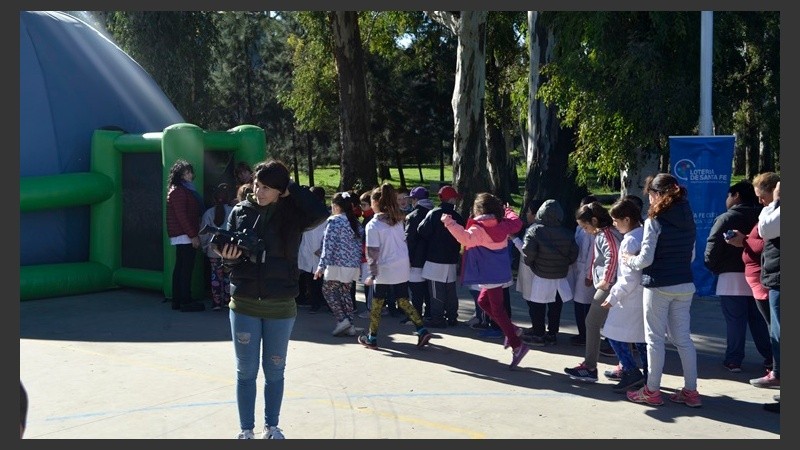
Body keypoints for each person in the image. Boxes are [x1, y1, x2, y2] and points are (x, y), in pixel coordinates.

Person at [217, 160, 330, 439]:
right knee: (245, 371)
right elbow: (223, 246)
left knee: (275, 369)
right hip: (243, 302)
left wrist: (290, 188)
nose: (259, 191)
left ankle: (272, 426)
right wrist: (227, 259)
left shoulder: (293, 213)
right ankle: (246, 430)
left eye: (267, 187)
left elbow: (320, 212)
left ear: (281, 190)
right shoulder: (241, 211)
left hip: (281, 304)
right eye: (257, 184)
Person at [622, 173, 701, 408]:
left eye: (650, 196)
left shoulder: (654, 221)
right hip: (685, 284)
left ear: (656, 194)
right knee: (683, 340)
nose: (650, 200)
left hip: (659, 284)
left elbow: (645, 259)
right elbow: (692, 255)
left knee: (654, 340)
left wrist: (628, 259)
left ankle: (652, 391)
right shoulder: (688, 217)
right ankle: (691, 391)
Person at [441, 192, 527, 369]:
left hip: (488, 274)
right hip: (499, 272)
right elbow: (517, 223)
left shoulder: (479, 228)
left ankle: (517, 344)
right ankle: (512, 329)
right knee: (483, 301)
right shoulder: (503, 224)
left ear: (478, 209)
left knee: (497, 311)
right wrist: (509, 210)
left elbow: (464, 239)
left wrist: (449, 223)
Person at [704, 180, 772, 373]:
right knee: (759, 321)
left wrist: (715, 267)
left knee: (735, 321)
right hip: (759, 275)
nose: (727, 199)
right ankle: (770, 358)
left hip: (730, 279)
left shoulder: (726, 219)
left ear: (736, 196)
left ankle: (734, 360)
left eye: (728, 195)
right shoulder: (764, 216)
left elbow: (712, 248)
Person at [358, 183, 433, 350]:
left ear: (376, 203)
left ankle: (372, 337)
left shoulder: (373, 225)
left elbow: (372, 251)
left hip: (385, 267)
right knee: (403, 299)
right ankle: (421, 329)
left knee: (377, 304)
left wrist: (372, 273)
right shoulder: (398, 220)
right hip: (401, 265)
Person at [564, 201, 622, 382]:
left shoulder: (607, 235)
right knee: (618, 326)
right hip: (611, 284)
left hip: (610, 286)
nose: (584, 230)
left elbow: (613, 256)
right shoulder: (603, 234)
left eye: (585, 226)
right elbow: (597, 259)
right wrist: (592, 275)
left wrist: (606, 281)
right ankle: (625, 366)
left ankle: (590, 367)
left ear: (595, 220)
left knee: (591, 322)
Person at [601, 198, 648, 393]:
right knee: (642, 339)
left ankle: (630, 371)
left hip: (628, 298)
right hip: (643, 295)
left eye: (615, 220)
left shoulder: (629, 240)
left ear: (627, 219)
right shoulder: (645, 232)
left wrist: (612, 297)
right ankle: (648, 375)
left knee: (613, 335)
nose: (614, 224)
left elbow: (628, 277)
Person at [518, 199, 578, 347]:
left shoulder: (535, 230)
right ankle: (552, 333)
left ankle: (539, 334)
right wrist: (563, 263)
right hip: (560, 275)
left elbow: (528, 252)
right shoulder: (567, 233)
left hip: (541, 274)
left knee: (538, 305)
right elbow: (573, 254)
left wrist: (532, 264)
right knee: (555, 306)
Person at [315, 191, 364, 337]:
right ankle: (350, 324)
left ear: (336, 206)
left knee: (328, 291)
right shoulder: (355, 222)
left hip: (337, 264)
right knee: (345, 293)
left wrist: (321, 266)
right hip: (352, 265)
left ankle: (342, 319)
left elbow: (328, 246)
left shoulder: (334, 221)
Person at [417, 185, 466, 328]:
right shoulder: (457, 216)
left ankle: (437, 318)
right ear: (452, 199)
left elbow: (422, 231)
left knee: (436, 291)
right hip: (451, 259)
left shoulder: (433, 214)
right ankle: (452, 317)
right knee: (450, 290)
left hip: (434, 259)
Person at [750, 180, 780, 392]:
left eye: (763, 196)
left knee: (778, 331)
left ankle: (778, 374)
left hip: (779, 276)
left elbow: (765, 229)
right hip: (774, 276)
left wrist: (776, 202)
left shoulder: (778, 207)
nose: (760, 201)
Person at [165, 159, 205, 312]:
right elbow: (182, 216)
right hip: (184, 234)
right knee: (185, 268)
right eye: (186, 173)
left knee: (181, 267)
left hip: (182, 234)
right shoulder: (180, 191)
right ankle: (185, 301)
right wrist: (193, 235)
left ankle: (178, 300)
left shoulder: (179, 189)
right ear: (179, 175)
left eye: (189, 172)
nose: (189, 175)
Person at [567, 195, 598, 347]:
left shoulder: (591, 232)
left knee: (583, 304)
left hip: (586, 271)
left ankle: (585, 335)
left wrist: (588, 274)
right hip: (577, 268)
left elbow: (591, 254)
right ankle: (582, 333)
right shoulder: (580, 228)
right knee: (578, 303)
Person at [199, 183, 234, 311]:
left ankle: (216, 302)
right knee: (228, 276)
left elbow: (203, 234)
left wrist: (204, 247)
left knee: (215, 275)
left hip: (213, 250)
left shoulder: (208, 213)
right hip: (229, 251)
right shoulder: (233, 211)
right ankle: (227, 301)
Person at [403, 186, 434, 323]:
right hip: (431, 257)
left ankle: (415, 316)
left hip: (416, 258)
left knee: (416, 289)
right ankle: (428, 313)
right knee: (428, 289)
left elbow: (409, 239)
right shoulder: (433, 213)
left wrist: (407, 258)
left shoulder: (413, 216)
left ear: (415, 200)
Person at [296, 186, 328, 312]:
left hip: (319, 250)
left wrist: (322, 248)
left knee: (319, 278)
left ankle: (319, 301)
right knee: (310, 277)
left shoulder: (325, 214)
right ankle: (314, 302)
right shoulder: (305, 211)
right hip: (308, 248)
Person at [357, 191, 376, 319]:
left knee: (369, 285)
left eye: (364, 205)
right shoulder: (367, 218)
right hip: (367, 256)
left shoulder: (370, 219)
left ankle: (370, 309)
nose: (362, 208)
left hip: (367, 257)